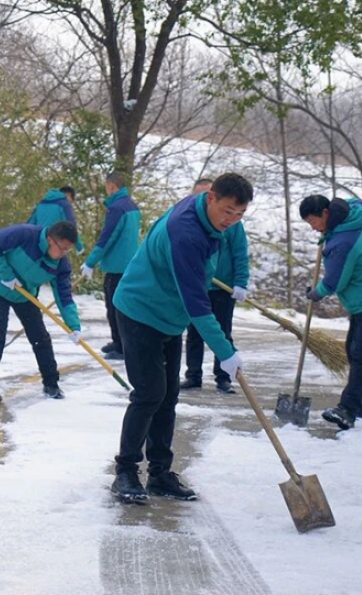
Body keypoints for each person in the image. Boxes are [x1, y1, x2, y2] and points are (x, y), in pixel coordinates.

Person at [111, 173, 254, 502]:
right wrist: (225, 352)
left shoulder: (207, 220)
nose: (231, 221)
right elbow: (197, 305)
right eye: (227, 211)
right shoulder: (186, 233)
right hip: (139, 312)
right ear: (211, 198)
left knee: (168, 396)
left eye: (239, 215)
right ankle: (125, 473)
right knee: (149, 394)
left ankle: (160, 474)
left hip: (168, 318)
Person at [300, 195, 362, 430]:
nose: (313, 228)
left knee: (360, 354)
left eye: (313, 221)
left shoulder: (344, 241)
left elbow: (335, 282)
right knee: (356, 352)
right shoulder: (351, 214)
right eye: (309, 224)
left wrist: (315, 293)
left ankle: (348, 409)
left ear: (325, 213)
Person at [0, 221, 82, 403]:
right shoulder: (24, 234)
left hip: (24, 295)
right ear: (50, 240)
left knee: (40, 337)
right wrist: (6, 275)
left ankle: (51, 383)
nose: (65, 254)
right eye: (63, 249)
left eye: (68, 250)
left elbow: (64, 296)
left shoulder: (61, 265)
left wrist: (73, 325)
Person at [181, 177, 250, 394]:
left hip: (223, 288)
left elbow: (240, 253)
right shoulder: (189, 225)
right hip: (198, 286)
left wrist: (240, 282)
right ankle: (193, 376)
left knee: (222, 332)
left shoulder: (231, 224)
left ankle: (223, 377)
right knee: (194, 333)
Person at [79, 172, 140, 361]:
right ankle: (118, 341)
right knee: (116, 306)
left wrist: (90, 262)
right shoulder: (131, 205)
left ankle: (123, 347)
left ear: (112, 186)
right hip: (126, 264)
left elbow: (108, 237)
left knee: (116, 308)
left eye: (106, 187)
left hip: (117, 267)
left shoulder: (117, 208)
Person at [27, 186, 85, 254]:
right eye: (71, 201)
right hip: (55, 243)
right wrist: (79, 247)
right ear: (69, 195)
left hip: (39, 243)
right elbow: (71, 226)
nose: (71, 204)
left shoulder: (41, 204)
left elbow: (30, 224)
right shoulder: (64, 204)